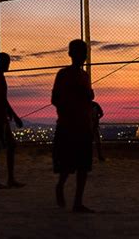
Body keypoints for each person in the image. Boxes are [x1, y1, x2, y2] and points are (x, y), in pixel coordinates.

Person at [52, 39, 95, 213]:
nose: (82, 57)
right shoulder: (63, 74)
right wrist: (66, 110)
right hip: (69, 125)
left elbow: (88, 97)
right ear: (71, 54)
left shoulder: (84, 76)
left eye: (84, 53)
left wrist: (87, 95)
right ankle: (60, 186)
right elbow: (55, 99)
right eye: (80, 53)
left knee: (83, 166)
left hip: (83, 125)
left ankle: (78, 202)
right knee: (68, 165)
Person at [0, 52, 25, 189]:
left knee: (8, 146)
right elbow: (0, 100)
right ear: (1, 63)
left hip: (0, 117)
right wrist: (14, 116)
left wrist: (11, 115)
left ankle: (8, 179)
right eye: (7, 62)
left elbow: (1, 100)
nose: (9, 65)